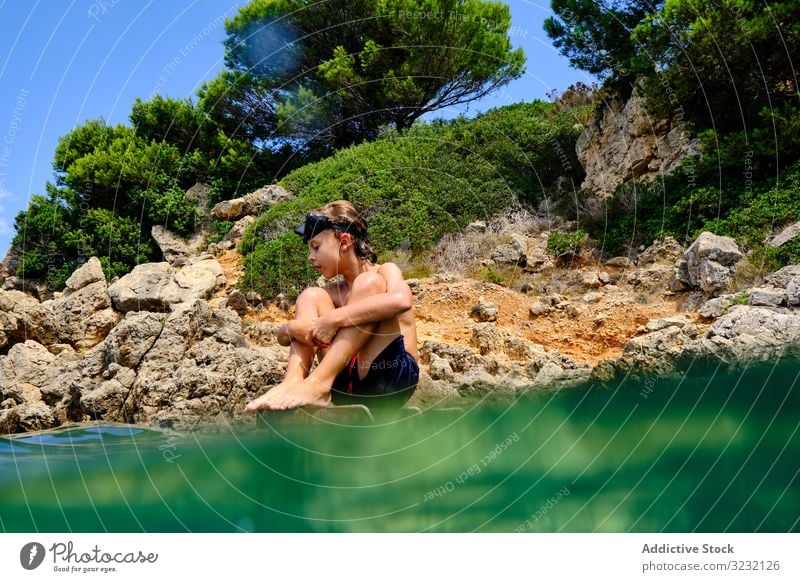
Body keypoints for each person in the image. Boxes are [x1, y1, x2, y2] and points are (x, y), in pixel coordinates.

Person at [244, 200, 419, 412]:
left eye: (316, 247)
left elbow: (401, 300)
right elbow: (284, 337)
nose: (311, 257)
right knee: (311, 295)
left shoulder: (384, 272)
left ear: (344, 241)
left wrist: (333, 319)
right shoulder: (331, 293)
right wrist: (290, 329)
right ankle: (294, 382)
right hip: (344, 385)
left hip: (389, 379)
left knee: (368, 284)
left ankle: (319, 383)